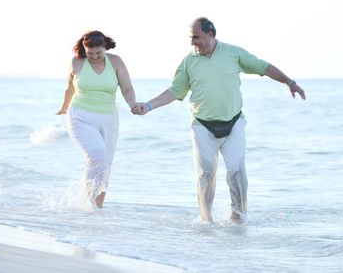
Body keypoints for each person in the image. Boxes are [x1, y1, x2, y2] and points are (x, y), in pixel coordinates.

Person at [131, 17, 305, 222]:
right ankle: (206, 221)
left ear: (210, 34)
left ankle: (239, 218)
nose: (192, 42)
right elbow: (175, 91)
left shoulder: (233, 53)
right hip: (202, 125)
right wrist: (149, 106)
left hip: (234, 122)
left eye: (196, 37)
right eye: (191, 38)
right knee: (205, 175)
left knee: (236, 171)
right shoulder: (189, 61)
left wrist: (289, 82)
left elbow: (263, 67)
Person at [56, 30, 136, 208]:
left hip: (108, 119)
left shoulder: (115, 61)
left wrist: (132, 104)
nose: (94, 56)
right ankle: (88, 203)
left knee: (105, 164)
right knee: (97, 158)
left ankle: (96, 208)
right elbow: (69, 88)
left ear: (105, 47)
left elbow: (127, 88)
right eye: (89, 53)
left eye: (98, 53)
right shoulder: (76, 61)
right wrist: (63, 108)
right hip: (80, 116)